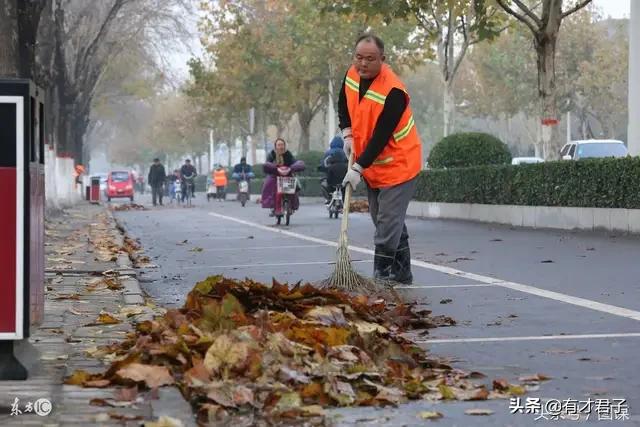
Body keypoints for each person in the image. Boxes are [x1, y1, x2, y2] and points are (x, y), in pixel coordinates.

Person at [339, 33, 422, 285]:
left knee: (387, 222)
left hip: (399, 165)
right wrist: (347, 134)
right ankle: (403, 272)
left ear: (382, 60)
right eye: (358, 58)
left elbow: (381, 136)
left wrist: (357, 168)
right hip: (373, 165)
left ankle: (381, 276)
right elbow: (343, 103)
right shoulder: (352, 75)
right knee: (381, 217)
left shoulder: (394, 91)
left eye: (370, 59)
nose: (362, 64)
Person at [261, 138, 305, 215]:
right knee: (269, 184)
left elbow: (295, 162)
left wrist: (290, 169)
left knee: (294, 187)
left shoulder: (288, 154)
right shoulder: (272, 154)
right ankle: (274, 207)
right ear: (275, 146)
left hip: (288, 175)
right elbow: (267, 164)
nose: (281, 147)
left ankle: (292, 205)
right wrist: (276, 169)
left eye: (282, 145)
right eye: (279, 145)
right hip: (275, 176)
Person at [318, 135, 348, 204]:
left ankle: (328, 198)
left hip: (331, 180)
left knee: (324, 184)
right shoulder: (345, 152)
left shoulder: (328, 152)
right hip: (343, 180)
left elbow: (323, 164)